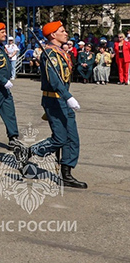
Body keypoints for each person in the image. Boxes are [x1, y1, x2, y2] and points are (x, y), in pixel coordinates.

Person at [16, 21, 87, 189]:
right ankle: (30, 151)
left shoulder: (60, 52)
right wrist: (68, 96)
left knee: (72, 138)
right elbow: (54, 80)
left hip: (63, 100)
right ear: (53, 35)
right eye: (62, 31)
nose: (66, 33)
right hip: (54, 100)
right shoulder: (50, 55)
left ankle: (67, 174)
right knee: (60, 138)